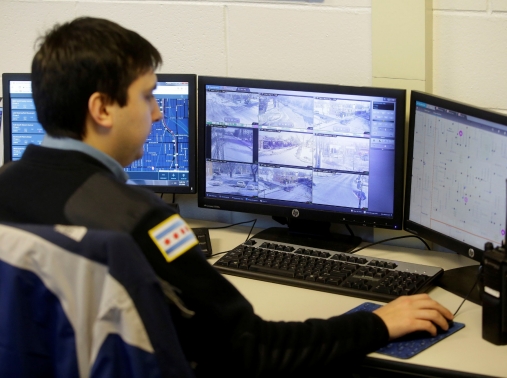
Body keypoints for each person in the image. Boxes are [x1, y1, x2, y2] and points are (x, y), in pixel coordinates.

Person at [0, 17, 453, 378]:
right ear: (101, 109)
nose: (159, 114)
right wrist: (378, 323)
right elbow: (251, 350)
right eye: (148, 96)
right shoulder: (143, 221)